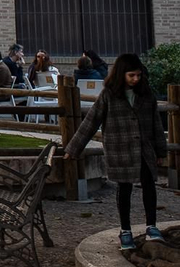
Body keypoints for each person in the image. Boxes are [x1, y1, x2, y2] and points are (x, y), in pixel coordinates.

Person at [65, 53, 168, 251]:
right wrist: (74, 148)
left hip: (144, 149)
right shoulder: (108, 95)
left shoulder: (146, 94)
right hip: (120, 150)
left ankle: (151, 226)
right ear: (121, 74)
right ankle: (125, 230)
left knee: (149, 186)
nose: (135, 79)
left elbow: (156, 123)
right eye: (131, 75)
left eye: (138, 75)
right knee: (124, 189)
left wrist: (161, 152)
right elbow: (91, 121)